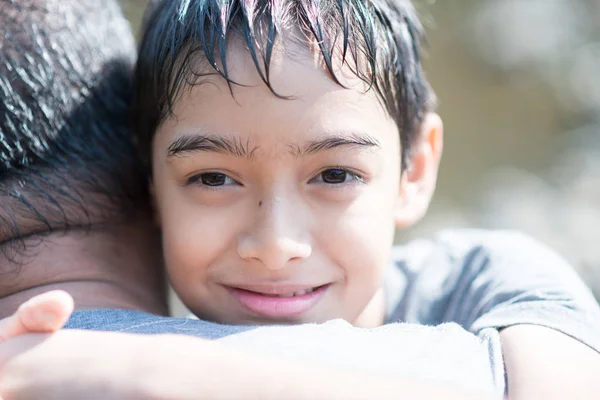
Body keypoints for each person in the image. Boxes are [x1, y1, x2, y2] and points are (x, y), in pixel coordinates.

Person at [0, 0, 599, 399]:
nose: (275, 245)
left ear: (415, 167)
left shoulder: (491, 276)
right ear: (149, 182)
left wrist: (116, 367)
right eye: (212, 179)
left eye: (335, 174)